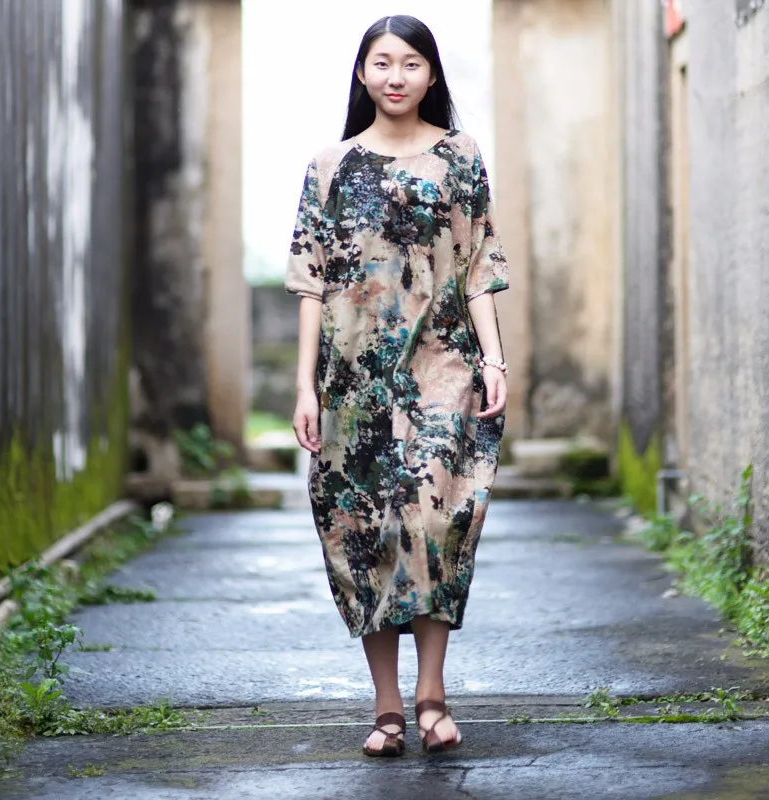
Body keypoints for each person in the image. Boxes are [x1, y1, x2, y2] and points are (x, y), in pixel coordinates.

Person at [285, 14, 509, 757]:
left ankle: (431, 694)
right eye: (382, 62)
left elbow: (478, 268)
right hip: (353, 380)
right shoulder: (330, 166)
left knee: (437, 519)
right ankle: (386, 707)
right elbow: (310, 283)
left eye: (411, 63)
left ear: (431, 75)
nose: (395, 76)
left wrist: (494, 361)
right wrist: (306, 388)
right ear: (362, 73)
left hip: (443, 367)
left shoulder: (460, 157)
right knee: (364, 532)